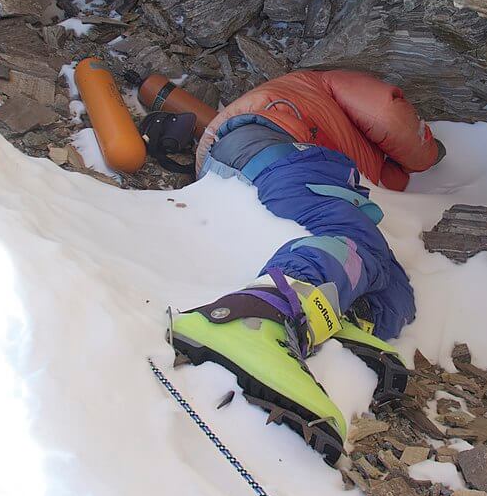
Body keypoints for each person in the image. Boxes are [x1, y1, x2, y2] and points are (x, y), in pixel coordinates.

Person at [169, 70, 444, 464]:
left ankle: (336, 321)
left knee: (392, 286)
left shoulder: (334, 127)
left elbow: (385, 173)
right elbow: (388, 113)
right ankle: (257, 315)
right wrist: (431, 153)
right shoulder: (323, 82)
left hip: (242, 163)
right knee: (356, 244)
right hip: (272, 150)